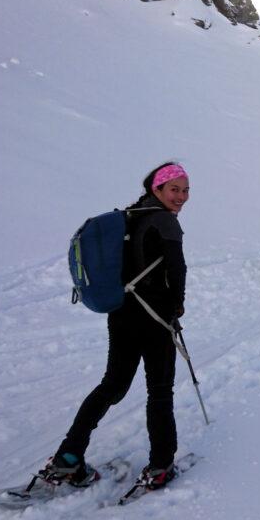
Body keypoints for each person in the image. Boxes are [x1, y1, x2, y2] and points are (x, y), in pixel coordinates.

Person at [41, 162, 190, 492]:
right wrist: (176, 308)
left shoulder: (131, 215)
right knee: (160, 391)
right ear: (157, 189)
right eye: (174, 189)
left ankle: (68, 458)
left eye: (185, 189)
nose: (181, 196)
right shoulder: (165, 222)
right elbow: (176, 271)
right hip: (154, 317)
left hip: (122, 314)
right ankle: (161, 465)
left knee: (112, 384)